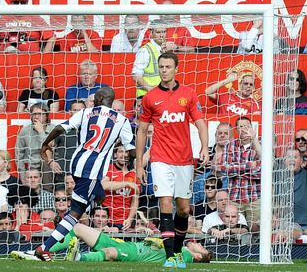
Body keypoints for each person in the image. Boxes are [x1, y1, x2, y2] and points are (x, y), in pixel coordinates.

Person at [29, 86, 135, 261]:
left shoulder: (86, 112)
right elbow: (130, 149)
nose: (92, 100)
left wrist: (45, 144)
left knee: (100, 195)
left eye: (94, 98)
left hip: (77, 164)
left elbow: (60, 128)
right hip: (92, 171)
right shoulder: (122, 121)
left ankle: (65, 222)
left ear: (100, 98)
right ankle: (45, 247)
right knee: (76, 213)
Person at [135, 52, 209, 268]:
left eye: (168, 66)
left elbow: (201, 123)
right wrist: (140, 163)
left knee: (184, 208)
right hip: (160, 158)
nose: (164, 70)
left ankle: (177, 250)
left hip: (184, 159)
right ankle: (170, 257)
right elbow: (141, 131)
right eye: (161, 67)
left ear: (176, 68)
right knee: (165, 202)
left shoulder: (189, 94)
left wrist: (204, 147)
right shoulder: (150, 97)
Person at [12, 222, 211, 263]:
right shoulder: (180, 248)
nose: (198, 243)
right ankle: (44, 250)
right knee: (78, 227)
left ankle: (79, 258)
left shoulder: (183, 255)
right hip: (127, 243)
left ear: (197, 255)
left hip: (137, 253)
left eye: (202, 247)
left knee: (110, 253)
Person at [220, 116, 261, 232]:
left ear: (251, 128)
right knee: (234, 232)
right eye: (240, 126)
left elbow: (261, 171)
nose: (243, 129)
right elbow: (225, 169)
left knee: (256, 232)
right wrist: (249, 166)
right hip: (234, 198)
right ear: (236, 130)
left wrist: (236, 169)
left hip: (255, 198)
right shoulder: (230, 145)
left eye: (246, 126)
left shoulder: (260, 145)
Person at [15, 103, 57, 187]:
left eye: (40, 114)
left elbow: (50, 149)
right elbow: (19, 155)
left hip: (49, 168)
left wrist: (41, 132)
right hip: (31, 169)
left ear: (46, 115)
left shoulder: (54, 129)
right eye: (34, 114)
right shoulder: (25, 131)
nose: (36, 116)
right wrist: (23, 176)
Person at [101, 143, 139, 231]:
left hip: (124, 221)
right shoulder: (109, 169)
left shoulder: (134, 175)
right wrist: (126, 183)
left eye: (126, 152)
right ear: (115, 154)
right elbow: (103, 185)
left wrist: (130, 219)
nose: (124, 155)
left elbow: (135, 200)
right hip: (106, 219)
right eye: (121, 151)